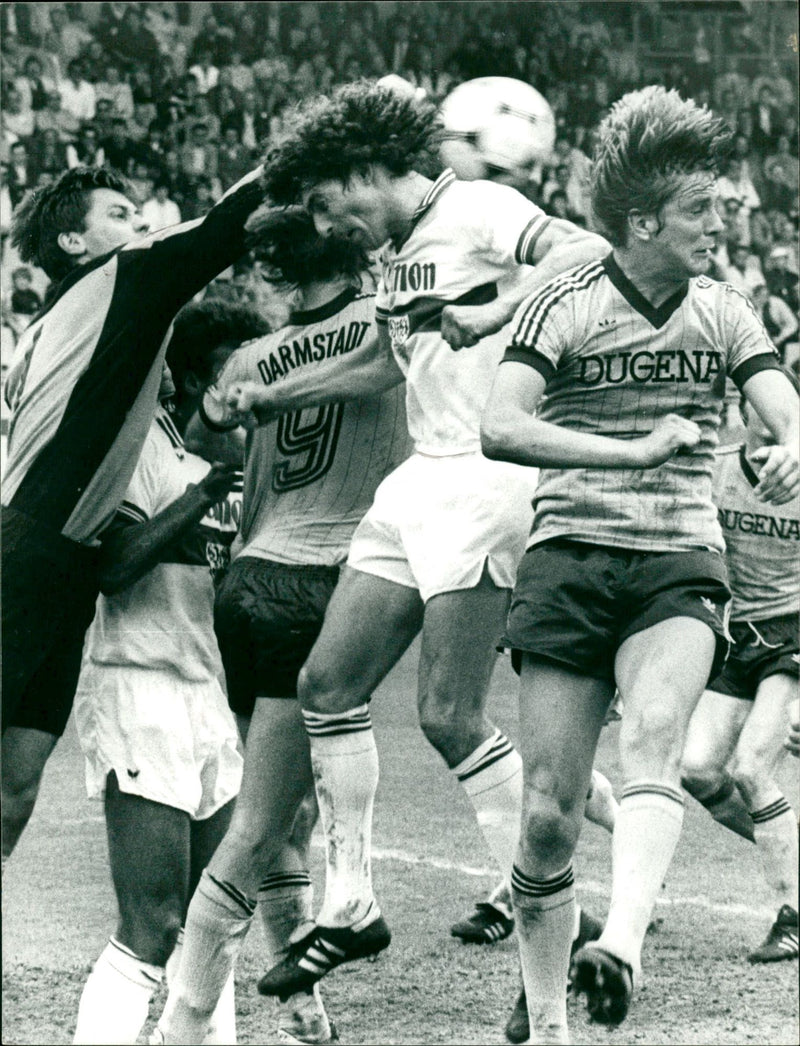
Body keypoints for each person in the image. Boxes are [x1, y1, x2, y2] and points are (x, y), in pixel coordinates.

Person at [226, 80, 608, 1000]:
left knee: (448, 714)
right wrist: (275, 394)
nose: (325, 223)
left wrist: (493, 308)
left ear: (366, 170)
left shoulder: (476, 206)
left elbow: (589, 252)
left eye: (326, 201)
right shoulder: (395, 253)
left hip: (489, 475)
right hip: (421, 478)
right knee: (326, 685)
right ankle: (351, 905)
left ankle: (550, 898)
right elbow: (380, 363)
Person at [480, 86, 798, 1040]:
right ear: (643, 220)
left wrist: (793, 448)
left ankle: (619, 941)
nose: (722, 218)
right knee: (547, 813)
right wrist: (630, 451)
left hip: (676, 557)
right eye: (702, 208)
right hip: (570, 554)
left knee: (656, 735)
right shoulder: (564, 303)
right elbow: (501, 425)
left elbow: (785, 405)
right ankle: (548, 1019)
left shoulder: (725, 309)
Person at [154, 208, 412, 1046]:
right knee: (259, 826)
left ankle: (304, 1011)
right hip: (322, 583)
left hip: (250, 580)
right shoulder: (384, 326)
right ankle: (182, 1027)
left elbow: (225, 453)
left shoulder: (250, 357)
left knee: (277, 812)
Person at [1, 161, 266, 859]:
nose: (140, 225)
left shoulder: (63, 319)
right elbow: (220, 230)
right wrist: (317, 144)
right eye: (119, 213)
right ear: (72, 243)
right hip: (25, 550)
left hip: (65, 564)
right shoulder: (114, 282)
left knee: (15, 788)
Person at [71, 302, 266, 1045]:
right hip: (138, 684)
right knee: (152, 925)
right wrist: (202, 496)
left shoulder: (250, 462)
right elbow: (114, 567)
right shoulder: (143, 450)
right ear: (187, 378)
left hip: (207, 701)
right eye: (234, 366)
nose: (250, 379)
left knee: (214, 921)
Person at [681, 387, 799, 965]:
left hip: (791, 637)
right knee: (698, 770)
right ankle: (791, 853)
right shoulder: (714, 471)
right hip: (734, 637)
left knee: (753, 768)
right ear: (742, 412)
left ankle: (792, 914)